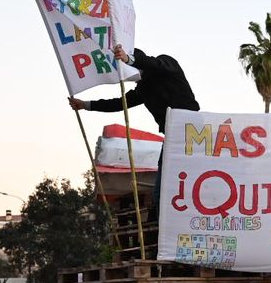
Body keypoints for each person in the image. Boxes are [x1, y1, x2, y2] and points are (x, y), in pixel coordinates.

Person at [68, 43, 200, 204]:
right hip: (172, 136)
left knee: (192, 180)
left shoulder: (165, 64)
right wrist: (86, 105)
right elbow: (119, 103)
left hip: (193, 129)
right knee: (161, 192)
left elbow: (152, 63)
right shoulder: (143, 88)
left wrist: (129, 59)